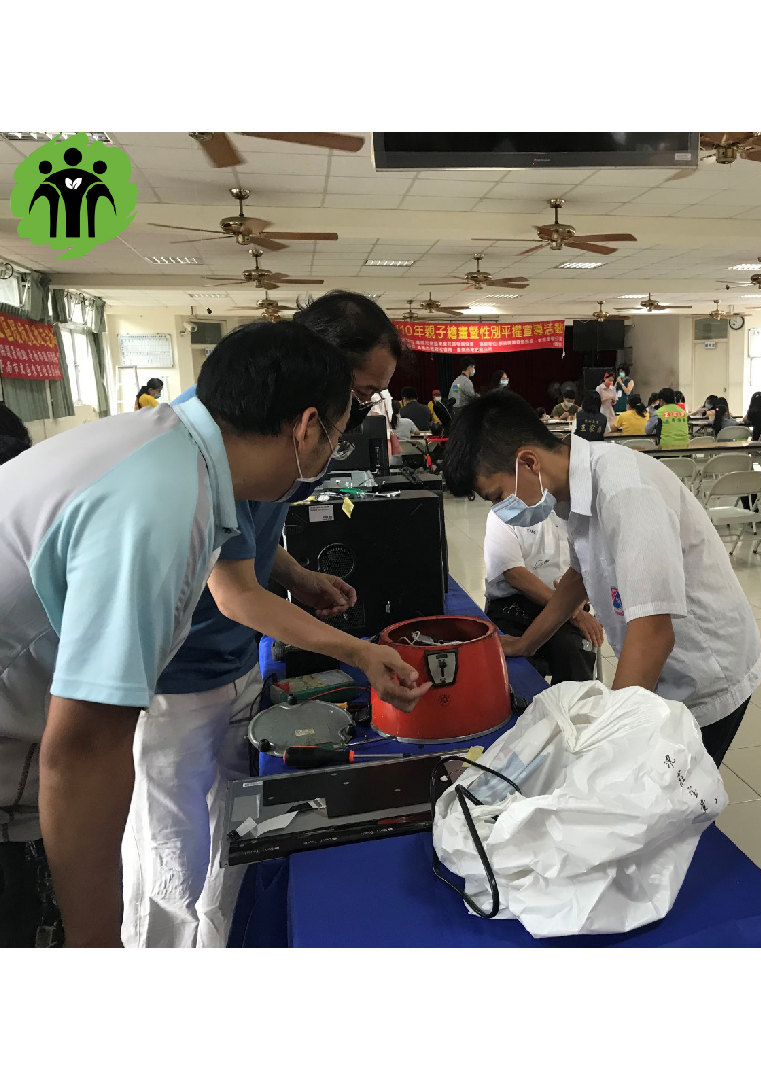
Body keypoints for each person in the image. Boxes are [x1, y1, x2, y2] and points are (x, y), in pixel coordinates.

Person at [0, 321, 408, 948]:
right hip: (19, 757)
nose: (334, 453)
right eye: (338, 431)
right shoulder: (162, 505)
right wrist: (94, 947)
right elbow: (82, 749)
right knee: (159, 859)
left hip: (31, 746)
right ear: (306, 427)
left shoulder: (175, 445)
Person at [118, 294, 431, 951]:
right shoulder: (212, 436)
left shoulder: (287, 435)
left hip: (232, 664)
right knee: (172, 854)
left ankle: (216, 947)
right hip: (175, 680)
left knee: (229, 836)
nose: (360, 414)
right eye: (361, 395)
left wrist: (297, 575)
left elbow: (247, 539)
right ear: (317, 373)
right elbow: (234, 592)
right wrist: (357, 653)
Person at [444, 392, 761, 767]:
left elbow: (654, 634)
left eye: (498, 496)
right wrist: (526, 644)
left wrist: (608, 737)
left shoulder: (626, 492)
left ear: (528, 462)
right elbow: (580, 573)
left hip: (705, 669)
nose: (501, 510)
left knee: (673, 789)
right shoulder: (570, 487)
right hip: (660, 660)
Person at [483, 507, 603, 685]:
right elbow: (515, 575)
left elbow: (590, 571)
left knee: (573, 654)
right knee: (516, 667)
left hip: (569, 606)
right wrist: (574, 613)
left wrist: (579, 601)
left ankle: (572, 702)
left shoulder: (576, 512)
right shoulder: (503, 513)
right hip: (514, 605)